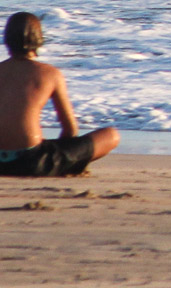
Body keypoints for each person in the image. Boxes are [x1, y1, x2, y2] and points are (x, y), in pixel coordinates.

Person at [0, 12, 119, 176]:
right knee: (111, 135)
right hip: (32, 161)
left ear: (7, 39)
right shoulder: (50, 73)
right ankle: (69, 167)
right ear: (39, 38)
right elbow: (70, 129)